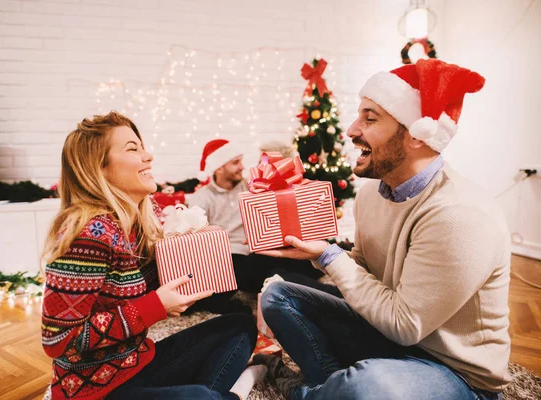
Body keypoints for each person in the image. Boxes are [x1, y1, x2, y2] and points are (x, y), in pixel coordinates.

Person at [254, 59, 511, 400]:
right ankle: (332, 388)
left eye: (369, 118)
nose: (351, 130)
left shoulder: (459, 214)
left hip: (453, 371)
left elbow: (405, 325)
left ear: (416, 136)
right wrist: (319, 254)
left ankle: (308, 391)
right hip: (384, 335)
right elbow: (365, 270)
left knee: (369, 386)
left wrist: (331, 256)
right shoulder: (371, 193)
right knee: (277, 295)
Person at [41, 112, 266, 400]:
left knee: (239, 325)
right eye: (132, 149)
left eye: (142, 146)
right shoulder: (89, 234)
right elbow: (58, 340)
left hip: (136, 363)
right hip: (93, 391)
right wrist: (155, 306)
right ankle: (233, 391)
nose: (148, 156)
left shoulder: (140, 222)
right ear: (99, 167)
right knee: (199, 397)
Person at [188, 139, 332, 297]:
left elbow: (282, 171)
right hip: (231, 258)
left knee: (299, 261)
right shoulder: (201, 198)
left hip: (261, 251)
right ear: (219, 168)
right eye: (236, 163)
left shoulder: (253, 185)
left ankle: (312, 288)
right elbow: (196, 243)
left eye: (241, 161)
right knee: (270, 272)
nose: (242, 167)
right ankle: (329, 295)